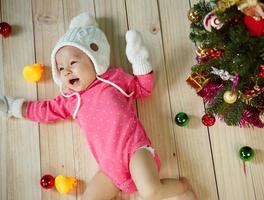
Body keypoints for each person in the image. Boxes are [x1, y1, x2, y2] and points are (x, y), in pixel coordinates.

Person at [0, 12, 197, 200]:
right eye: (61, 68)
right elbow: (44, 111)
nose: (67, 71)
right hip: (109, 168)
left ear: (94, 59)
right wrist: (14, 107)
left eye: (73, 62)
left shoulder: (113, 80)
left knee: (150, 192)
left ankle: (183, 185)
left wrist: (140, 62)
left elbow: (143, 89)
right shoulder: (71, 100)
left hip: (134, 150)